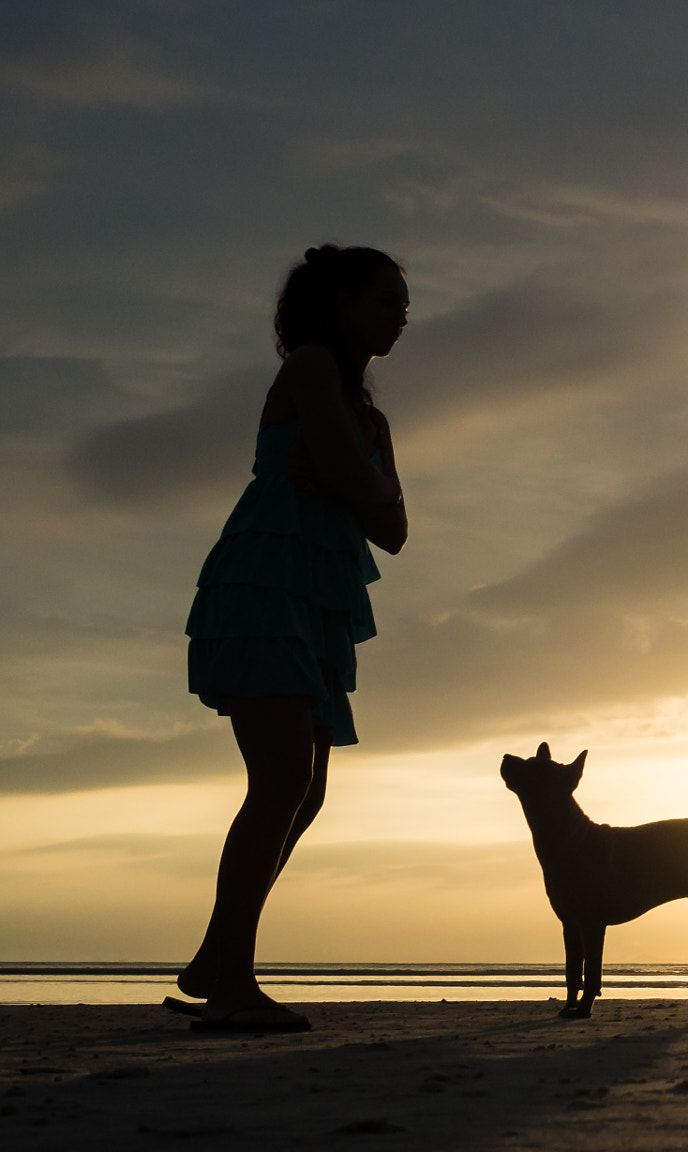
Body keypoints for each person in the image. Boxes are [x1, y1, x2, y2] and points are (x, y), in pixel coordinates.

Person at [174, 245, 411, 1032]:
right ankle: (232, 982)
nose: (400, 313)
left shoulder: (371, 416)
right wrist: (360, 483)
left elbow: (396, 529)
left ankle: (215, 957)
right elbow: (360, 489)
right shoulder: (309, 364)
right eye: (384, 299)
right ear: (338, 305)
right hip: (263, 584)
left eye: (402, 302)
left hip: (319, 603)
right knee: (279, 781)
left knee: (306, 790)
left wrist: (359, 479)